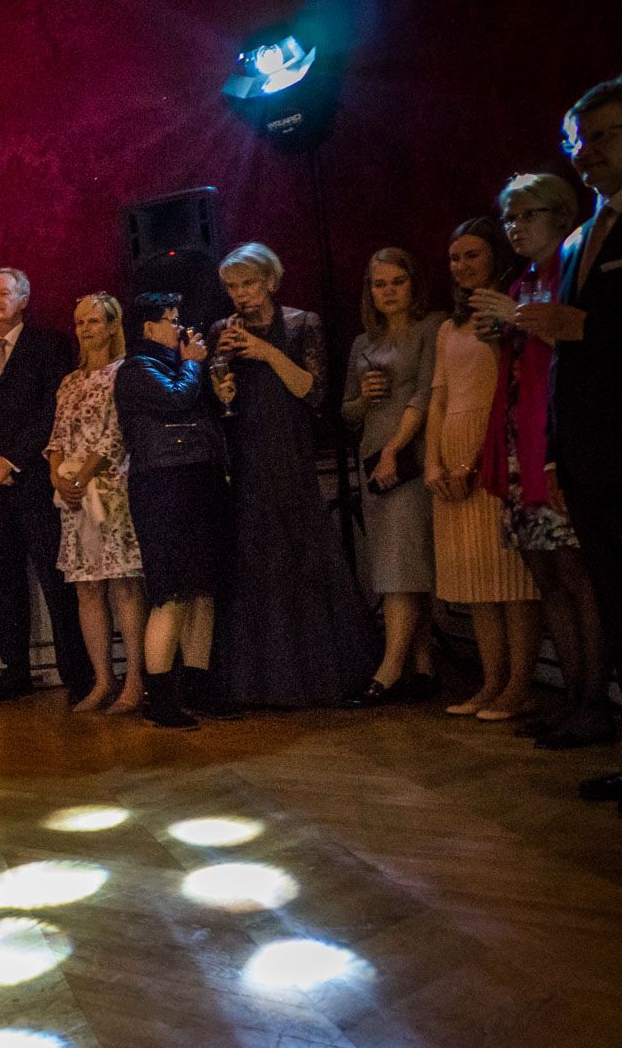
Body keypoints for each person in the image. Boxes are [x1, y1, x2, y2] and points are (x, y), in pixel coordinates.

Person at [509, 75, 622, 823]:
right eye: (576, 141)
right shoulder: (583, 235)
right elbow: (566, 357)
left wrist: (585, 329)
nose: (586, 154)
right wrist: (554, 448)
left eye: (601, 135)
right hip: (589, 456)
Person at [470, 173, 611, 747]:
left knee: (580, 579)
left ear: (559, 215)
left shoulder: (577, 270)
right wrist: (497, 332)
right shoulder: (524, 279)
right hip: (516, 449)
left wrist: (518, 318)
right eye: (509, 218)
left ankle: (594, 702)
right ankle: (573, 698)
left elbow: (591, 349)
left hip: (560, 450)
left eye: (525, 216)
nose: (515, 228)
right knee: (547, 580)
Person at [208, 244, 376, 709]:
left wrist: (264, 352)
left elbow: (314, 392)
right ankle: (257, 684)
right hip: (246, 455)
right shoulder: (224, 329)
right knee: (253, 560)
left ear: (270, 281)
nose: (240, 294)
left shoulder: (304, 323)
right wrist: (219, 382)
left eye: (248, 284)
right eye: (232, 286)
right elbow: (219, 403)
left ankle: (319, 676)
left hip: (291, 452)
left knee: (303, 553)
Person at [0, 267, 95, 704]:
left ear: (24, 297)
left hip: (35, 480)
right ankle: (15, 671)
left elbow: (52, 413)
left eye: (3, 293)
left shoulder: (49, 345)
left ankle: (77, 673)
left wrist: (12, 459)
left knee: (57, 581)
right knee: (4, 581)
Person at [428, 220, 542, 722]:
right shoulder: (447, 326)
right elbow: (438, 397)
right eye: (455, 258)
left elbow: (509, 388)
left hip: (492, 447)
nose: (462, 266)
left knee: (510, 580)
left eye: (472, 255)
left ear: (495, 256)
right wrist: (433, 462)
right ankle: (491, 681)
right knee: (475, 584)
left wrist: (474, 459)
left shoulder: (510, 313)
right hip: (450, 449)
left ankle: (520, 685)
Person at [115, 293, 229, 729]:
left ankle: (198, 687)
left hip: (198, 478)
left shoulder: (175, 364)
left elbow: (196, 407)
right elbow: (178, 399)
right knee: (173, 591)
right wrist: (196, 362)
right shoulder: (137, 369)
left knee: (203, 588)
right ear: (148, 328)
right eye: (171, 320)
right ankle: (159, 697)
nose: (179, 328)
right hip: (164, 485)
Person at [341, 248, 441, 707]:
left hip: (410, 457)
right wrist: (363, 397)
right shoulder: (362, 343)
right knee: (399, 563)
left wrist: (395, 452)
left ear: (413, 284)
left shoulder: (430, 328)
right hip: (372, 457)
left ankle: (388, 669)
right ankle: (423, 666)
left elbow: (424, 395)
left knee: (401, 568)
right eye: (379, 284)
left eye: (396, 282)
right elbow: (347, 413)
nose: (388, 292)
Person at [45, 293, 147, 716]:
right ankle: (103, 679)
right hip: (73, 496)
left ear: (111, 324)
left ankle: (137, 679)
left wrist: (84, 474)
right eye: (79, 322)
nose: (84, 329)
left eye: (92, 321)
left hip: (112, 490)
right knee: (87, 589)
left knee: (124, 583)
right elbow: (55, 439)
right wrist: (58, 476)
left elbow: (117, 434)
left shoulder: (126, 373)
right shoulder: (69, 382)